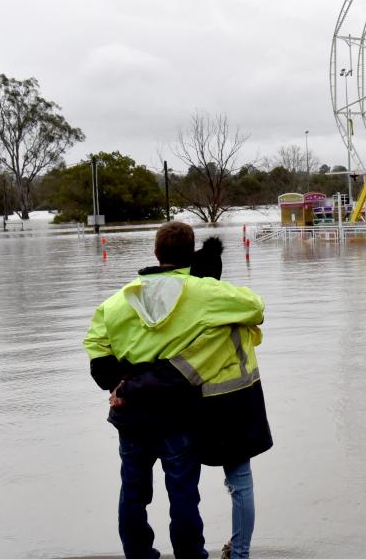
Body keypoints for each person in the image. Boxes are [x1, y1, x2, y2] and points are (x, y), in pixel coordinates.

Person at [84, 222, 265, 559]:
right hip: (178, 410)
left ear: (156, 252)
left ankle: (139, 554)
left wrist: (118, 384)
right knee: (183, 492)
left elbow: (95, 344)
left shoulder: (119, 300)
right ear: (191, 253)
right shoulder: (204, 293)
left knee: (133, 492)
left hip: (131, 410)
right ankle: (190, 555)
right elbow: (255, 307)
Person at [187, 236, 273, 559]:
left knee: (184, 482)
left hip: (202, 405)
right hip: (243, 403)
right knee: (241, 483)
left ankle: (193, 551)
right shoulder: (239, 306)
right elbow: (258, 317)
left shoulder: (189, 310)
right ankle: (239, 553)